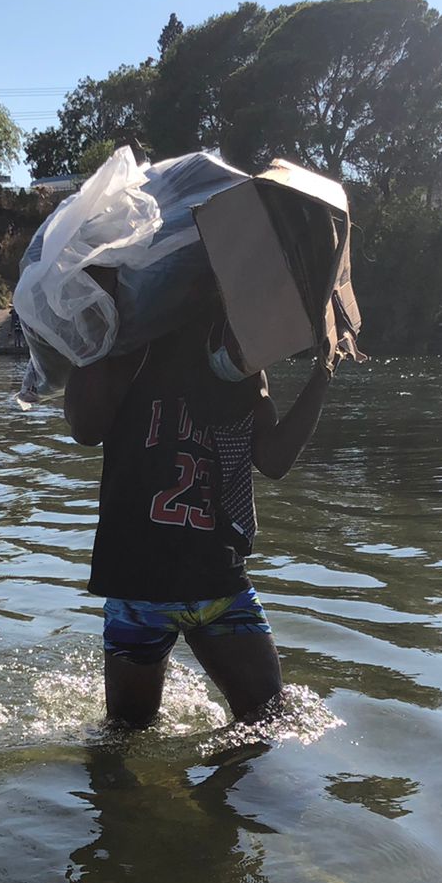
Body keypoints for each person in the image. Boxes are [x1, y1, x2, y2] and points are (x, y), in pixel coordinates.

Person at [64, 304, 333, 728]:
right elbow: (84, 429)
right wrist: (100, 339)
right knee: (125, 739)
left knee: (270, 723)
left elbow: (274, 459)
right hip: (139, 587)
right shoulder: (133, 346)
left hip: (219, 581)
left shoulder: (240, 365)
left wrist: (323, 373)